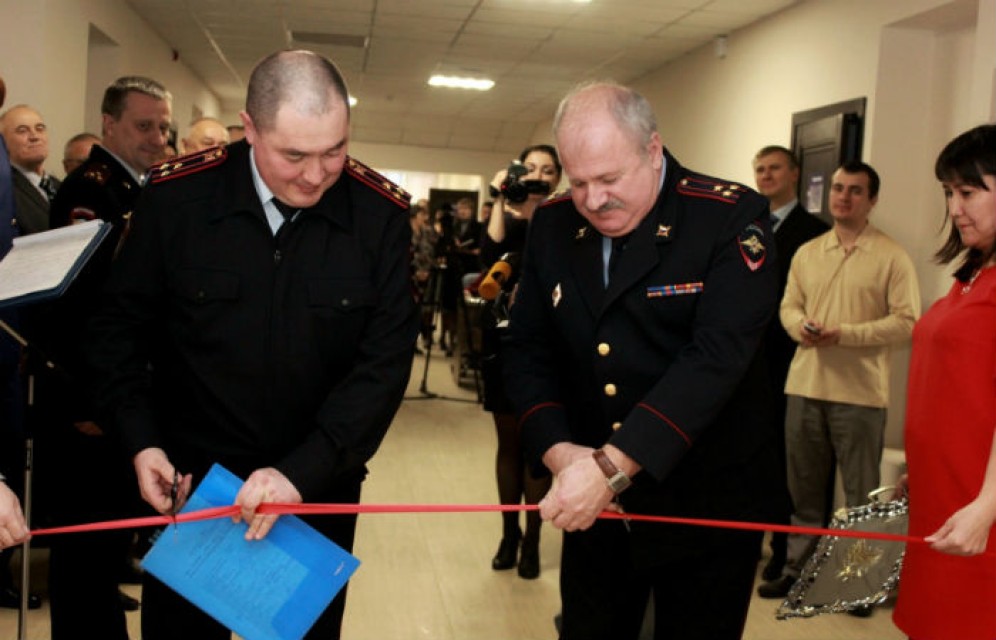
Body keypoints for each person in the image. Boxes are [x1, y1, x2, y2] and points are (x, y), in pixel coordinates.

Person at [86, 49, 418, 640]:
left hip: (313, 491)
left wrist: (301, 473)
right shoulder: (177, 200)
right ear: (248, 129)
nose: (317, 175)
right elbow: (119, 331)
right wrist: (141, 442)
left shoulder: (378, 216)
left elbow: (384, 364)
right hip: (196, 493)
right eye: (294, 155)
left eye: (335, 151)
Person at [503, 82, 781, 639]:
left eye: (609, 179)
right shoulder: (555, 223)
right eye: (578, 182)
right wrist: (562, 456)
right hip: (592, 499)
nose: (593, 199)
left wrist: (611, 468)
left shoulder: (728, 216)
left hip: (705, 502)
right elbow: (526, 346)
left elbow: (716, 357)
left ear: (653, 151)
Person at [41, 74, 173, 638]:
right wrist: (97, 400)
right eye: (145, 126)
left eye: (163, 126)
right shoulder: (90, 193)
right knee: (84, 552)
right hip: (90, 400)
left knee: (105, 545)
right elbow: (83, 312)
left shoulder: (139, 188)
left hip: (120, 395)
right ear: (109, 125)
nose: (158, 137)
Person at [758, 161, 921, 612]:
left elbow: (907, 320)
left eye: (854, 191)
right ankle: (797, 571)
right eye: (837, 188)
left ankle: (860, 583)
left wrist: (844, 334)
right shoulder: (809, 252)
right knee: (802, 492)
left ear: (871, 201)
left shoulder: (892, 256)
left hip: (861, 394)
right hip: (805, 385)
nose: (842, 197)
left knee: (862, 493)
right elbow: (787, 306)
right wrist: (800, 328)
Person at [891, 124, 996, 640]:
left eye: (969, 192)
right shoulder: (972, 273)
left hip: (983, 507)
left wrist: (987, 507)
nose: (955, 208)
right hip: (943, 494)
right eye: (949, 193)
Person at [482, 144, 561, 580]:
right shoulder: (505, 215)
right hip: (503, 340)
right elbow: (486, 257)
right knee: (508, 445)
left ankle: (533, 540)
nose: (538, 177)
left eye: (548, 171)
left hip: (548, 347)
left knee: (538, 449)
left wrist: (540, 209)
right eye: (530, 169)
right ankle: (508, 535)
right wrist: (500, 197)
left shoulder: (564, 219)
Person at [752, 145, 829, 581]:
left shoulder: (814, 232)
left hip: (792, 361)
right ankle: (759, 542)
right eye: (759, 169)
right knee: (757, 458)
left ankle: (785, 552)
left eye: (774, 168)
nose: (766, 175)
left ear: (794, 174)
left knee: (788, 463)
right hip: (750, 363)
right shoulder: (748, 225)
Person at [0, 104, 58, 234]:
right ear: (3, 141)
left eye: (40, 128)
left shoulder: (61, 187)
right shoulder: (5, 191)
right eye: (22, 130)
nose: (34, 136)